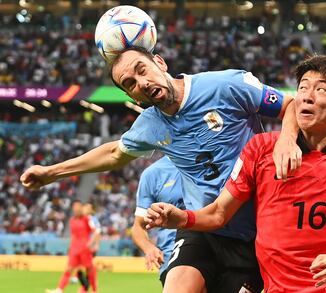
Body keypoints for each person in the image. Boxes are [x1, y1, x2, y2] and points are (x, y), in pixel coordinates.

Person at [21, 46, 301, 293]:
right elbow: (114, 153)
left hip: (257, 234)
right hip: (201, 228)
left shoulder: (225, 84)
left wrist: (287, 140)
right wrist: (51, 173)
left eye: (142, 70)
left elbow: (289, 104)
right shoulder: (150, 124)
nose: (141, 83)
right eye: (130, 84)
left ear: (160, 62)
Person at [145, 55, 326, 292]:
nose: (308, 97)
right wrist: (181, 217)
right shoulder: (260, 149)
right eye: (303, 88)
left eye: (321, 90)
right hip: (283, 287)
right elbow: (219, 213)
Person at [132, 156, 185, 286]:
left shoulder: (212, 160)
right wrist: (149, 248)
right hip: (171, 255)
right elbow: (138, 226)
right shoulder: (153, 173)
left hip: (215, 251)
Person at [46, 200, 98, 293]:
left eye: (78, 206)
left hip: (85, 249)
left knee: (89, 269)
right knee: (69, 269)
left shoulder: (87, 219)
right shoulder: (72, 220)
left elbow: (96, 232)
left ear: (81, 207)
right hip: (74, 249)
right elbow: (73, 236)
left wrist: (92, 243)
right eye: (74, 206)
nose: (76, 208)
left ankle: (93, 290)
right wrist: (70, 247)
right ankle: (59, 289)